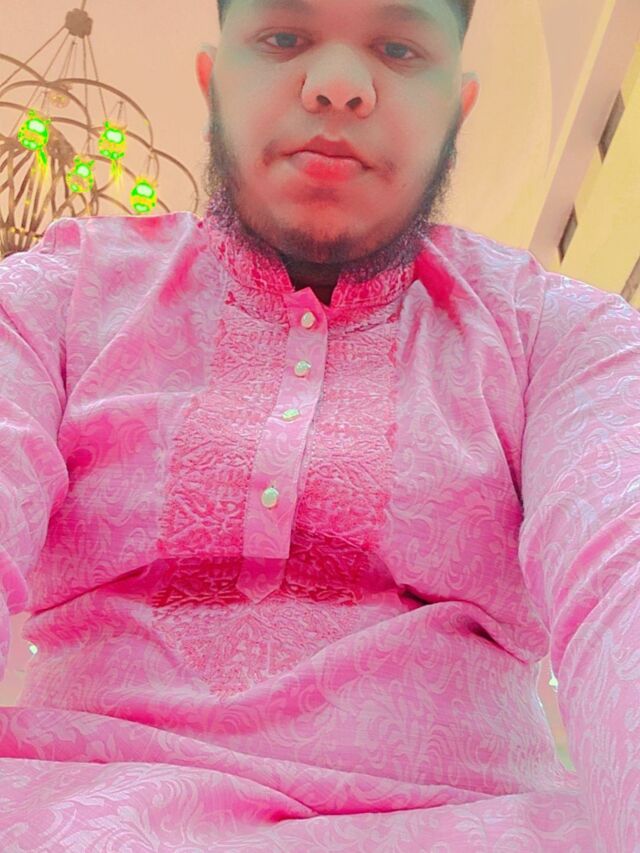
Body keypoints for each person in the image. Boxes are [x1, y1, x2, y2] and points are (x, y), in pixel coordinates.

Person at [0, 0, 638, 849]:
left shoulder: (557, 336)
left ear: (457, 110)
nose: (338, 85)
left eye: (399, 48)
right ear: (215, 83)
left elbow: (622, 568)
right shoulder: (59, 297)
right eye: (283, 38)